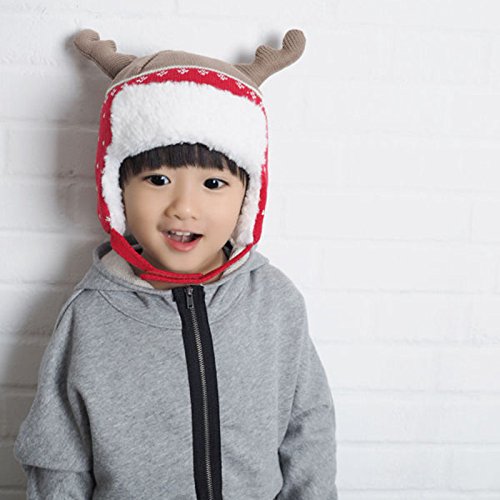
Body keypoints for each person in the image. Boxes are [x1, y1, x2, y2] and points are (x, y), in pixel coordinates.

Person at [13, 27, 338, 499]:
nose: (184, 208)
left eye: (213, 184)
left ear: (247, 197)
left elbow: (308, 430)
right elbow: (58, 458)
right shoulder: (90, 316)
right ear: (117, 191)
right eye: (158, 179)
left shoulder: (275, 304)